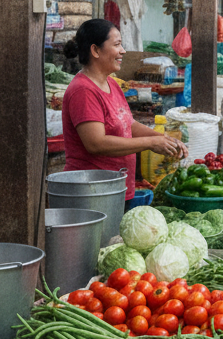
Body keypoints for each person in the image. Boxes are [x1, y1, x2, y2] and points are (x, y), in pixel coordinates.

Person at [62, 19, 188, 202]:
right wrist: (150, 143)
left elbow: (129, 124)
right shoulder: (83, 90)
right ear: (95, 50)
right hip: (92, 192)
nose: (123, 51)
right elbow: (96, 143)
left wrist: (163, 139)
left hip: (114, 188)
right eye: (117, 45)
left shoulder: (111, 82)